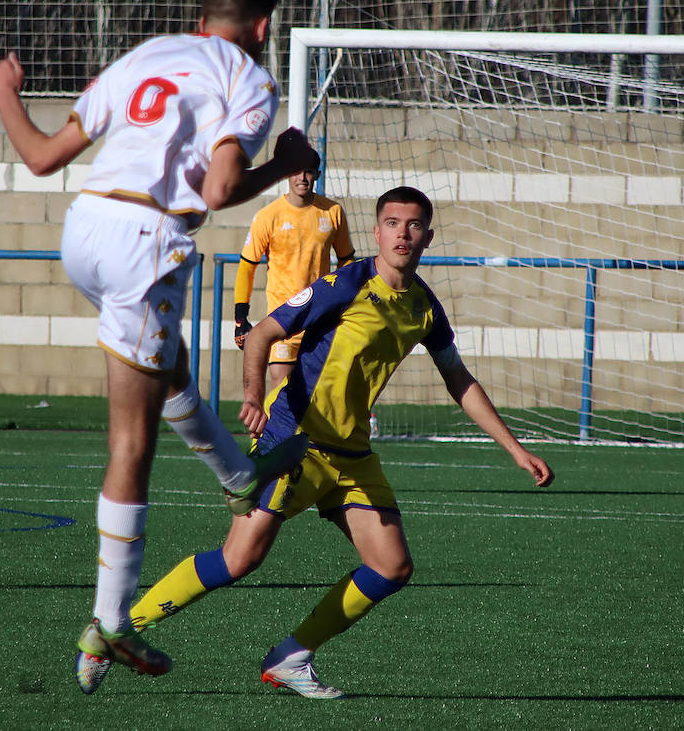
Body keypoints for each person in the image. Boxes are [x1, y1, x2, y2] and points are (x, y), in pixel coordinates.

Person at [0, 0, 321, 688]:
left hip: (86, 231)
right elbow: (221, 189)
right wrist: (282, 164)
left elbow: (42, 156)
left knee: (165, 373)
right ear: (261, 27)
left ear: (203, 16)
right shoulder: (247, 78)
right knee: (130, 442)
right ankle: (110, 620)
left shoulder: (148, 54)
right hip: (146, 242)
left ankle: (238, 475)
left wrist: (3, 93)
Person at [79, 186, 554, 699]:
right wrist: (255, 397)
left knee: (392, 566)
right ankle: (111, 634)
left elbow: (458, 379)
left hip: (351, 455)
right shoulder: (346, 282)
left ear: (427, 236)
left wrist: (515, 448)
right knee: (239, 560)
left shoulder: (424, 307)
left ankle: (291, 655)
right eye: (392, 223)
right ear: (376, 232)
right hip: (295, 442)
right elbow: (261, 333)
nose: (403, 233)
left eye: (414, 225)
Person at [232, 154, 354, 389]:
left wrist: (341, 302)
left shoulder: (333, 212)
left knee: (321, 393)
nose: (302, 178)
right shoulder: (268, 216)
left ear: (317, 174)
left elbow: (346, 260)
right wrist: (240, 317)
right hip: (283, 318)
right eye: (296, 171)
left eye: (308, 171)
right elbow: (247, 266)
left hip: (321, 317)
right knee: (281, 388)